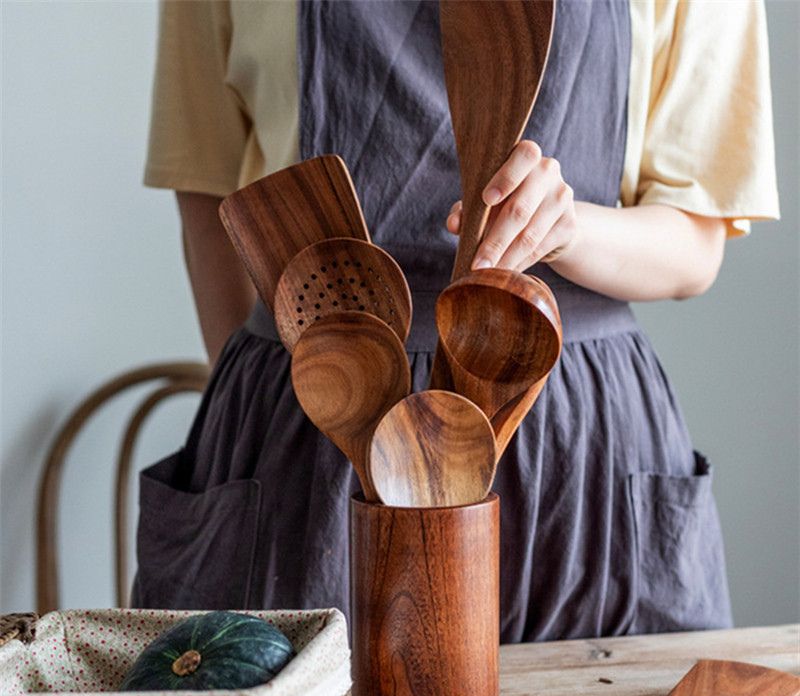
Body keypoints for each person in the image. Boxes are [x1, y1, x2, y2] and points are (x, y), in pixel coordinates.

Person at [131, 0, 778, 642]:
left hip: (576, 443)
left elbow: (696, 245)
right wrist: (284, 389)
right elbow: (209, 195)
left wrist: (568, 227)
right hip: (316, 416)